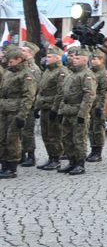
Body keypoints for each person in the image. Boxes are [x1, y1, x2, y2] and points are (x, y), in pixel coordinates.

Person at [56, 47, 97, 175]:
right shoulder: (71, 74)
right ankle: (71, 161)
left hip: (78, 112)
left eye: (78, 58)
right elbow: (65, 94)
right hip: (67, 111)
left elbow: (89, 95)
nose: (74, 60)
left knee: (79, 139)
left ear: (85, 60)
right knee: (66, 138)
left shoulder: (87, 75)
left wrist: (83, 113)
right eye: (74, 57)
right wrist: (60, 110)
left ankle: (80, 164)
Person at [0, 44, 38, 179]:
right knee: (2, 138)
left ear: (19, 59)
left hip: (16, 111)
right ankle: (3, 165)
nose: (9, 64)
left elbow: (28, 97)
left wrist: (22, 115)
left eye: (11, 61)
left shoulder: (26, 75)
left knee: (12, 139)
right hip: (4, 109)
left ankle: (12, 167)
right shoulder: (9, 73)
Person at [35, 47, 69, 170]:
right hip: (44, 107)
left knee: (54, 134)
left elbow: (61, 93)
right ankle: (51, 157)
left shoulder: (61, 71)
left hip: (53, 108)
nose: (47, 58)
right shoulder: (48, 71)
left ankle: (56, 158)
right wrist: (36, 107)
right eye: (47, 56)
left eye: (50, 57)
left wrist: (55, 109)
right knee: (45, 134)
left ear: (58, 58)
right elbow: (41, 91)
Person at [17, 42, 41, 167]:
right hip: (19, 103)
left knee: (28, 132)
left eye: (24, 51)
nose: (21, 52)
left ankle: (31, 156)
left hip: (29, 104)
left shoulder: (33, 69)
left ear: (30, 53)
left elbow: (35, 89)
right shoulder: (21, 66)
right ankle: (21, 154)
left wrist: (33, 105)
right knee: (20, 131)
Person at [85, 51, 107, 163]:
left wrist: (100, 106)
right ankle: (93, 149)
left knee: (98, 128)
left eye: (96, 59)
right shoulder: (90, 72)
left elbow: (104, 92)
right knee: (91, 128)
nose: (93, 61)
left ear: (102, 60)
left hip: (98, 104)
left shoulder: (104, 73)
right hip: (90, 104)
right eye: (92, 59)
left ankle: (98, 151)